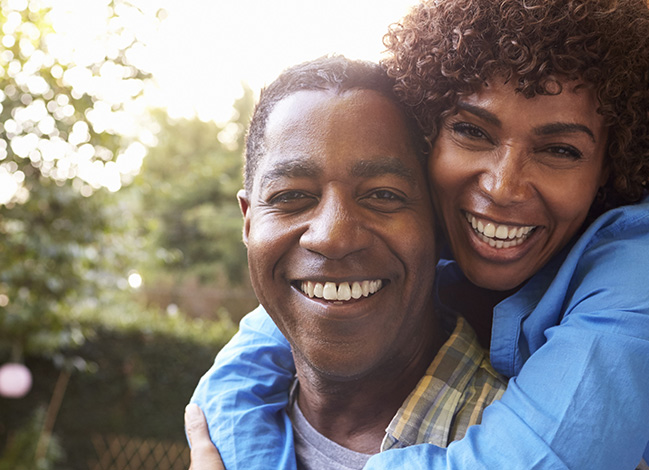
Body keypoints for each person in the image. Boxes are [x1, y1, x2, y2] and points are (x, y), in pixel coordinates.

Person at [189, 0, 649, 469]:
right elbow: (261, 349)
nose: (501, 187)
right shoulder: (443, 226)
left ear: (611, 167)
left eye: (560, 150)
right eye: (472, 131)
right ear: (431, 137)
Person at [197, 55, 508, 468]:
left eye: (383, 195)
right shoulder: (216, 432)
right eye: (291, 196)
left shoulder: (532, 444)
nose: (333, 237)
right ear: (249, 223)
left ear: (437, 223)